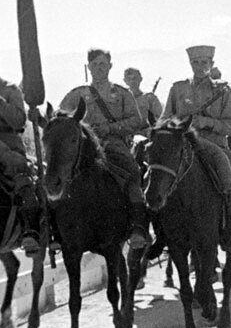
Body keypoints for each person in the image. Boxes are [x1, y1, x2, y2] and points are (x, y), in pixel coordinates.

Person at [162, 45, 231, 256]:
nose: (199, 66)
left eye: (204, 62)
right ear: (190, 64)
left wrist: (206, 122)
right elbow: (164, 119)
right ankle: (158, 232)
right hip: (183, 144)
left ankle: (229, 234)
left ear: (211, 64)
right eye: (195, 62)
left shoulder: (223, 91)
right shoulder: (178, 89)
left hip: (214, 145)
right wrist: (178, 125)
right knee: (155, 176)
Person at [60, 49, 147, 249]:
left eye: (103, 64)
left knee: (132, 172)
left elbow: (136, 120)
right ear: (89, 67)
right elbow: (61, 117)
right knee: (60, 176)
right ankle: (57, 230)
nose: (99, 68)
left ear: (110, 66)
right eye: (95, 64)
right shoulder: (76, 94)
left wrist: (110, 128)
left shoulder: (122, 93)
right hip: (84, 147)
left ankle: (137, 226)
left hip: (113, 143)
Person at [0, 77, 39, 253]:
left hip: (9, 148)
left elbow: (18, 121)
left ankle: (30, 231)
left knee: (23, 178)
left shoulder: (10, 90)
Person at [123, 68, 162, 135]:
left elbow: (160, 118)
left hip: (145, 133)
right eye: (129, 79)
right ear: (125, 81)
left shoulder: (149, 98)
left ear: (140, 79)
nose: (132, 81)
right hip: (126, 134)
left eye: (135, 78)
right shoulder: (120, 100)